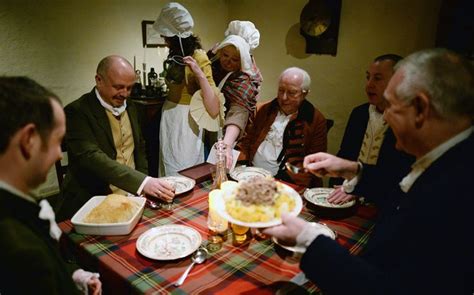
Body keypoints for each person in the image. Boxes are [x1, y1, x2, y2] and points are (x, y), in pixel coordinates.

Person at [263, 48, 474, 294]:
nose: (383, 116)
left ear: (420, 110)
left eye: (391, 106)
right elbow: (396, 187)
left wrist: (309, 242)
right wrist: (353, 169)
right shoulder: (450, 156)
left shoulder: (459, 190)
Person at [0, 77, 102, 294]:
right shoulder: (20, 248)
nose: (59, 154)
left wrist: (72, 275)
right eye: (57, 141)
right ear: (29, 140)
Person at [57, 55, 175, 221]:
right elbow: (91, 157)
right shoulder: (76, 112)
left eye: (129, 88)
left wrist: (140, 190)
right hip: (92, 200)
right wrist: (143, 182)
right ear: (99, 80)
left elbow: (140, 150)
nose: (125, 94)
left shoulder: (134, 107)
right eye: (118, 87)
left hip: (133, 197)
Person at [328, 54, 414, 204]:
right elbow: (345, 154)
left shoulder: (407, 121)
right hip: (345, 194)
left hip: (381, 202)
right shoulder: (359, 113)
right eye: (368, 77)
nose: (369, 85)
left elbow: (398, 174)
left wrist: (359, 189)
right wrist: (340, 186)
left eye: (378, 78)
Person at [153, 2, 222, 176]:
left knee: (184, 168)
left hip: (186, 120)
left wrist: (198, 72)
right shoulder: (176, 54)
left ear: (176, 37)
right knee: (168, 165)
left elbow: (214, 105)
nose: (164, 40)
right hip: (170, 115)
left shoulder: (198, 57)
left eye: (167, 37)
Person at [237, 67, 327, 187]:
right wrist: (240, 167)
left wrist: (280, 182)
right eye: (281, 90)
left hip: (287, 181)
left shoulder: (315, 120)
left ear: (305, 94)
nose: (284, 98)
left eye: (291, 92)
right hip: (251, 174)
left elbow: (314, 162)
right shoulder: (262, 110)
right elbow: (246, 143)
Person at [207, 20, 263, 167]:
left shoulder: (245, 81)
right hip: (210, 124)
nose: (227, 62)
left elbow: (239, 110)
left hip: (231, 133)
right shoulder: (215, 65)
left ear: (243, 61)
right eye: (225, 55)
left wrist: (227, 143)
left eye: (235, 59)